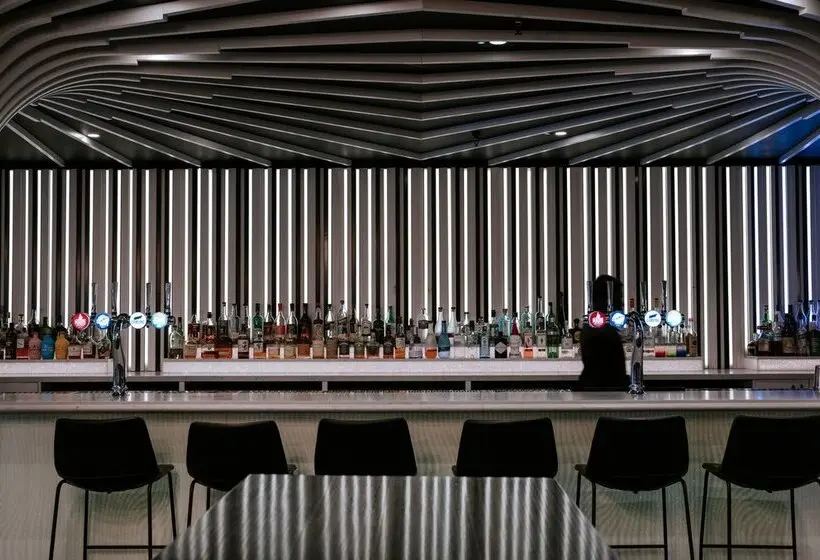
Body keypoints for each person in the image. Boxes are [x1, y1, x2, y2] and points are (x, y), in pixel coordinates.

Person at [576, 274, 629, 391]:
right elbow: (607, 374)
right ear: (607, 299)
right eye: (619, 297)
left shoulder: (593, 325)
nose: (622, 303)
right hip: (601, 392)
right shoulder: (601, 329)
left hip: (593, 389)